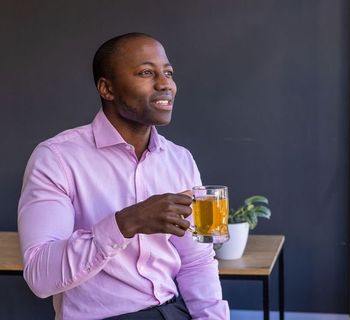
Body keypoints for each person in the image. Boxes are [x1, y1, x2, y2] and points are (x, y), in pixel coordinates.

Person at [17, 32, 229, 320]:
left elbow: (196, 261)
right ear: (107, 89)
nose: (165, 84)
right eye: (146, 72)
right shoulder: (57, 158)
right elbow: (41, 277)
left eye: (168, 73)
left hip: (175, 311)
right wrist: (128, 222)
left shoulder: (180, 160)